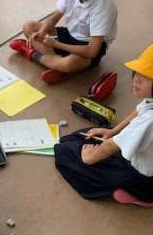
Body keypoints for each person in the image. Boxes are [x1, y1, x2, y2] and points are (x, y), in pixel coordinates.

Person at [54, 44, 153, 205]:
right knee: (83, 136)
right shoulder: (150, 106)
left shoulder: (150, 120)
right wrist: (113, 131)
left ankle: (143, 196)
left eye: (147, 77)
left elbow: (109, 147)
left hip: (141, 176)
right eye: (138, 71)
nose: (137, 78)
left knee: (64, 151)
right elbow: (138, 111)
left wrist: (88, 158)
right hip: (143, 158)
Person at [10, 0, 118, 84]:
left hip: (87, 46)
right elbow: (54, 17)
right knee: (29, 26)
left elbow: (92, 51)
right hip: (70, 35)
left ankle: (31, 53)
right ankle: (56, 65)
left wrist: (56, 44)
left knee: (70, 64)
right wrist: (42, 32)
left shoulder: (103, 6)